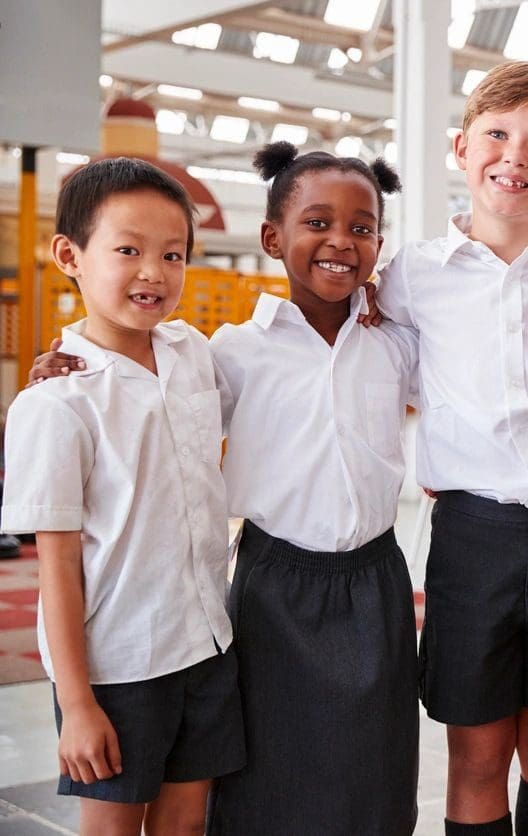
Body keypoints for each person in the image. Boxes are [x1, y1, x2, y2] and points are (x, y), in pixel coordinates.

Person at [374, 61, 528, 836]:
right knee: (476, 760)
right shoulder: (409, 278)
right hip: (473, 539)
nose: (516, 156)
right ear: (461, 146)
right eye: (498, 134)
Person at [2, 157, 244, 835]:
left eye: (173, 254)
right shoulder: (57, 403)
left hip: (205, 644)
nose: (153, 272)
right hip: (118, 663)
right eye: (128, 250)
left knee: (185, 823)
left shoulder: (192, 353)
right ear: (68, 255)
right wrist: (76, 703)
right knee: (111, 827)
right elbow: (57, 567)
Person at [203, 142, 422, 835]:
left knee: (376, 779)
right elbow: (149, 410)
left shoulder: (398, 346)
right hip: (274, 587)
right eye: (318, 222)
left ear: (379, 245)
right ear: (274, 237)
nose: (340, 242)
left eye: (361, 228)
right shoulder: (234, 352)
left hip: (374, 583)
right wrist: (74, 362)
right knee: (266, 774)